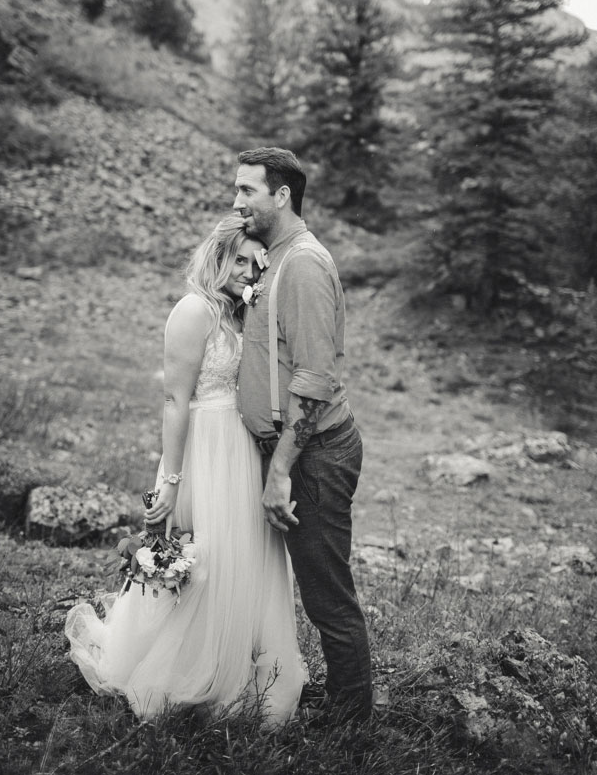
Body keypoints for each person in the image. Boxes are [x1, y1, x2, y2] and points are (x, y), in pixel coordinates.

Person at [65, 215, 305, 725]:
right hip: (201, 455)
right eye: (238, 259)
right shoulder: (192, 311)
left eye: (255, 263)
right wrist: (171, 483)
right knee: (202, 563)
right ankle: (181, 671)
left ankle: (237, 669)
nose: (246, 271)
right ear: (217, 257)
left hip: (242, 455)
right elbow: (175, 401)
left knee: (245, 561)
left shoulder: (243, 316)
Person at [233, 147, 373, 723]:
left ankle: (351, 720)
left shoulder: (305, 264)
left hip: (312, 453)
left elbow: (314, 380)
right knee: (313, 585)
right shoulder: (274, 257)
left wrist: (282, 467)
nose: (236, 201)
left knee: (326, 593)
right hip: (293, 448)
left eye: (248, 191)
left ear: (282, 195)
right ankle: (342, 701)